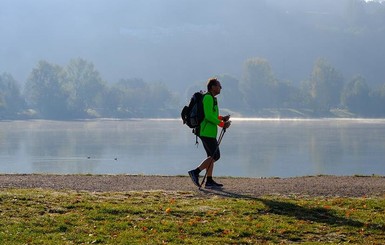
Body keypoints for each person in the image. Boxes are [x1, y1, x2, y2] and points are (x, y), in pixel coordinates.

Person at [188, 78, 231, 188]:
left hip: (210, 132)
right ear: (213, 87)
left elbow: (212, 115)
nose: (221, 88)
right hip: (206, 132)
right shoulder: (207, 98)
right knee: (215, 156)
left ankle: (209, 181)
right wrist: (222, 124)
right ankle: (195, 172)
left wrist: (222, 118)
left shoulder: (212, 98)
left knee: (210, 156)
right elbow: (208, 116)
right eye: (219, 85)